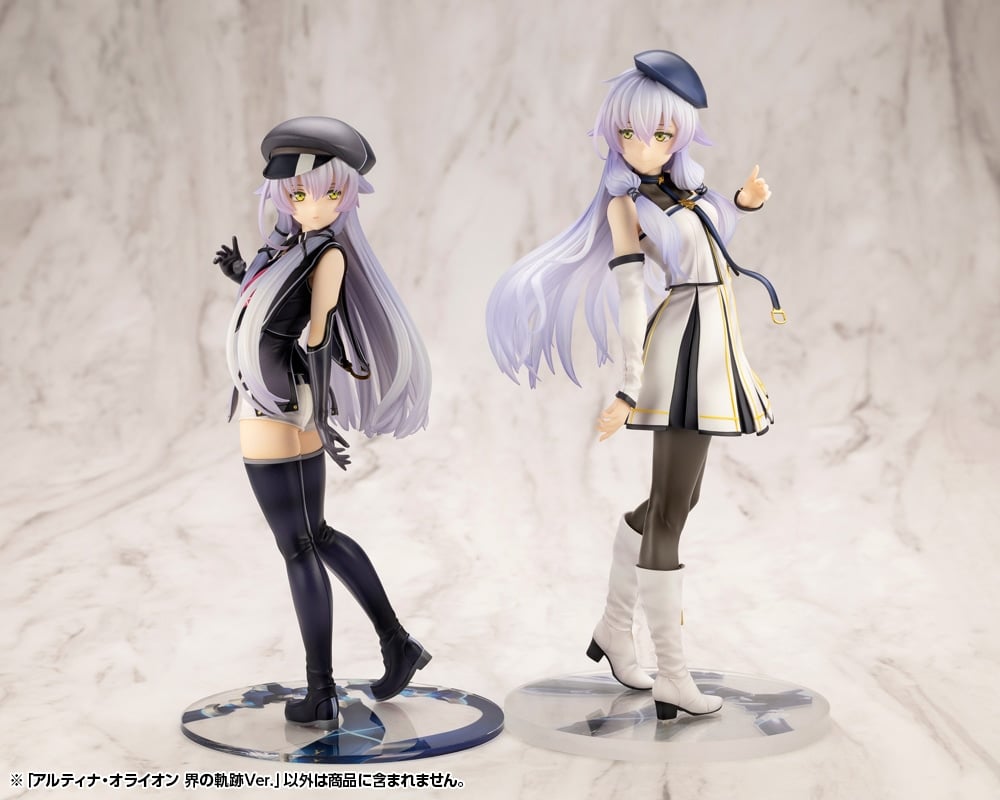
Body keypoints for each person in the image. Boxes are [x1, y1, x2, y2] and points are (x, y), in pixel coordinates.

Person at [486, 51, 782, 721]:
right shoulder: (627, 205)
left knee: (681, 498)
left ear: (680, 134)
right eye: (628, 133)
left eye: (658, 133)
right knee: (671, 513)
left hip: (714, 341)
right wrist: (627, 389)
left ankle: (614, 628)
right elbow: (628, 297)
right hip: (681, 349)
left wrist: (741, 203)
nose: (642, 146)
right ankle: (672, 674)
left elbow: (711, 242)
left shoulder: (688, 193)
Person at [215, 116, 432, 728]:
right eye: (300, 192)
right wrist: (241, 271)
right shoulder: (286, 247)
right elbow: (267, 305)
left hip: (279, 405)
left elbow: (318, 334)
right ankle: (398, 644)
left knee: (298, 547)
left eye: (331, 193)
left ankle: (321, 691)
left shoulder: (327, 254)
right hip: (272, 401)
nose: (314, 204)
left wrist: (319, 409)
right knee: (317, 535)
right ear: (282, 192)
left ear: (347, 196)